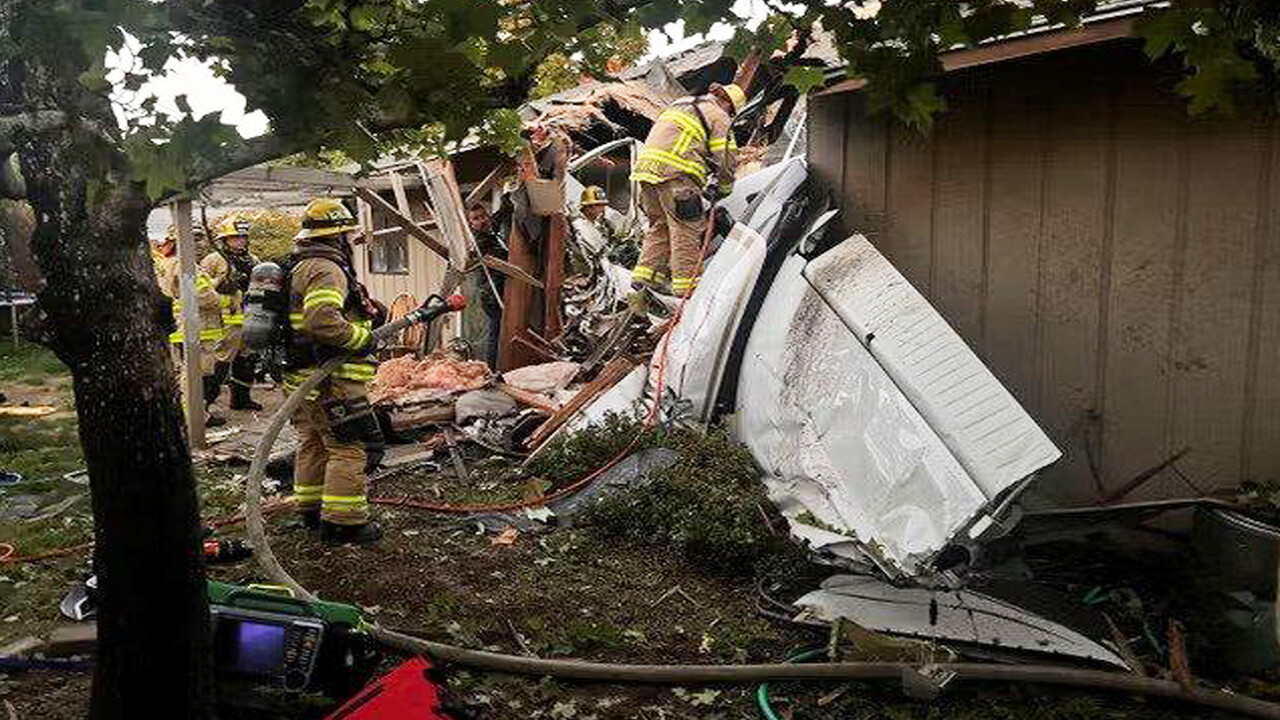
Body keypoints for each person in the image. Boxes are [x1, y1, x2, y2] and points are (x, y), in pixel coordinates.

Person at [284, 197, 386, 544]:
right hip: (331, 378)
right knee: (349, 445)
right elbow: (322, 321)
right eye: (347, 235)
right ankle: (345, 523)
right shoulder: (326, 268)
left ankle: (311, 511)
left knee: (313, 442)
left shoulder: (299, 264)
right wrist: (362, 338)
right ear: (338, 235)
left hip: (303, 376)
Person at [629, 82, 744, 298]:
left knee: (660, 226)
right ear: (729, 105)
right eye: (732, 111)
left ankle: (644, 282)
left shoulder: (680, 104)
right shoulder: (719, 115)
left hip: (646, 174)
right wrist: (724, 187)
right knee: (687, 229)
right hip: (677, 176)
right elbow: (726, 157)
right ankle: (687, 290)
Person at [152, 228, 228, 427]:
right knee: (194, 377)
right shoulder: (186, 265)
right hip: (195, 328)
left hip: (176, 327)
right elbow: (205, 296)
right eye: (195, 240)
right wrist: (221, 295)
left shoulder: (164, 263)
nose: (199, 244)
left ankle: (185, 416)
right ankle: (194, 420)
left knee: (180, 374)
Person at [201, 213, 262, 411]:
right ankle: (204, 407)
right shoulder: (213, 260)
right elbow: (201, 287)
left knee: (247, 358)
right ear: (225, 240)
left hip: (249, 316)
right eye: (236, 237)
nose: (241, 241)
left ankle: (241, 399)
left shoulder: (253, 259)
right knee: (220, 362)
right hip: (226, 321)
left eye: (243, 237)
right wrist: (223, 283)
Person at [466, 203, 505, 367]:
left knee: (498, 330)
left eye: (483, 216)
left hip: (496, 289)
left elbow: (494, 220)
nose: (481, 221)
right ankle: (491, 367)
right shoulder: (479, 241)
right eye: (476, 219)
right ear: (470, 224)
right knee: (495, 333)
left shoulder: (489, 231)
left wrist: (506, 203)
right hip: (491, 294)